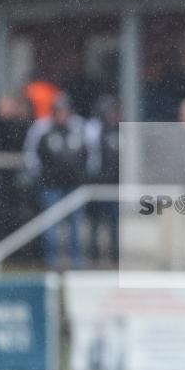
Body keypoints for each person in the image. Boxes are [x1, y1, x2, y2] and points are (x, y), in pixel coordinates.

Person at [24, 94, 88, 269]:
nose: (62, 115)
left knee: (76, 225)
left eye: (65, 111)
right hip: (51, 185)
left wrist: (83, 175)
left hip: (73, 185)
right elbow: (31, 154)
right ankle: (52, 261)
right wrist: (40, 174)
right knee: (51, 226)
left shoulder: (78, 129)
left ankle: (77, 263)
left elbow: (88, 154)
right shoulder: (42, 129)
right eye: (59, 111)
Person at [85, 95, 121, 263]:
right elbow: (90, 156)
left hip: (115, 183)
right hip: (98, 181)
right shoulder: (93, 130)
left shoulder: (120, 131)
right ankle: (94, 255)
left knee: (114, 222)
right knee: (96, 221)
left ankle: (115, 255)